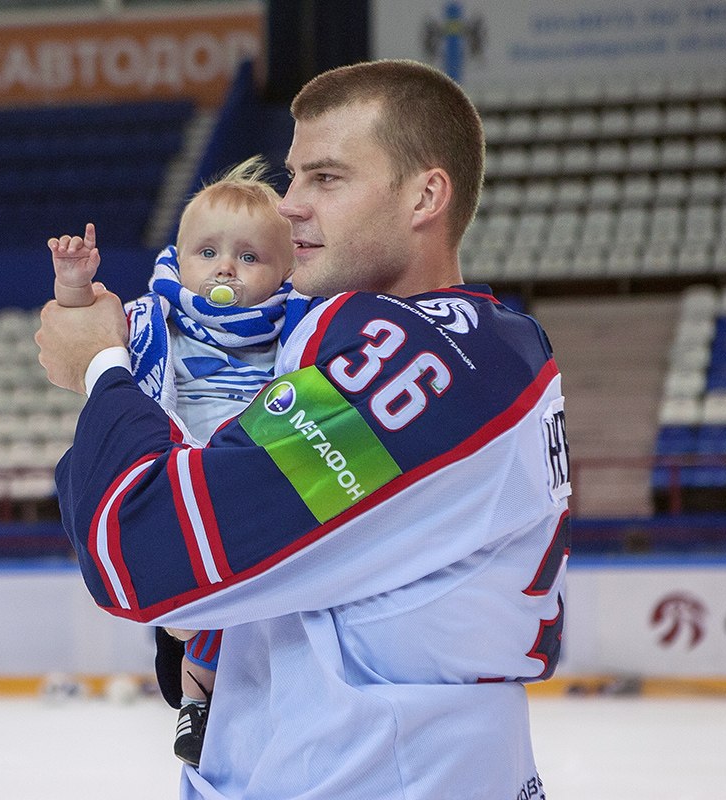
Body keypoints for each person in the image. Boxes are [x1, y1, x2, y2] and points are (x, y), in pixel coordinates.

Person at [37, 59, 568, 799]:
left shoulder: (418, 356)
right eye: (292, 178)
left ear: (425, 194)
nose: (288, 206)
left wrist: (101, 368)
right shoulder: (486, 344)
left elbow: (142, 549)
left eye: (325, 178)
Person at [50, 157, 314, 766]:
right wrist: (72, 285)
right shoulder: (157, 318)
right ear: (179, 256)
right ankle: (195, 699)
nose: (225, 267)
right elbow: (86, 335)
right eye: (208, 252)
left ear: (285, 272)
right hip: (172, 475)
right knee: (189, 608)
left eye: (249, 258)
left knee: (233, 611)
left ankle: (203, 696)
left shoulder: (297, 326)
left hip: (244, 482)